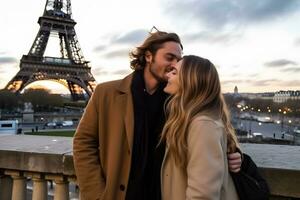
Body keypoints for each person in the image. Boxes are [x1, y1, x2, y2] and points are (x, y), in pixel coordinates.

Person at [73, 31, 241, 200]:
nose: (174, 64)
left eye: (178, 60)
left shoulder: (180, 100)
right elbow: (83, 142)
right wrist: (95, 194)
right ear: (148, 56)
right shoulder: (106, 93)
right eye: (169, 57)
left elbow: (212, 139)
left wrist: (235, 155)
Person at [160, 55, 240, 199]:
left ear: (190, 81)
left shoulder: (202, 125)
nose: (167, 75)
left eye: (174, 72)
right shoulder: (193, 119)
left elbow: (203, 195)